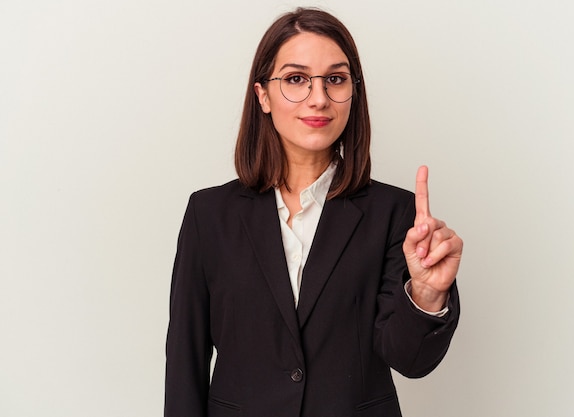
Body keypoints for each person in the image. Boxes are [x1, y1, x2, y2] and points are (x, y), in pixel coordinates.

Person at [165, 7, 462, 417]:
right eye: (296, 79)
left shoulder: (395, 214)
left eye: (335, 79)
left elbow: (410, 360)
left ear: (352, 93)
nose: (319, 98)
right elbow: (185, 362)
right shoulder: (209, 214)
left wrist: (426, 296)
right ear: (263, 96)